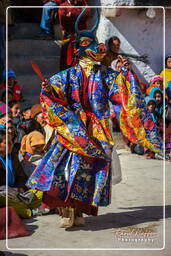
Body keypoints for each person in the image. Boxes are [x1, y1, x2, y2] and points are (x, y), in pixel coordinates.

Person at [26, 9, 164, 229]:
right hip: (73, 131)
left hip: (97, 132)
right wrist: (49, 90)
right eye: (91, 46)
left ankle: (80, 211)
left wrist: (126, 75)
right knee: (66, 170)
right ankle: (67, 211)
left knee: (87, 174)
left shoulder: (107, 75)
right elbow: (52, 92)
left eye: (97, 46)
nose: (96, 51)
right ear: (81, 49)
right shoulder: (69, 75)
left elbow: (121, 96)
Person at [0, 129, 43, 218]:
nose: (11, 145)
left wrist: (19, 187)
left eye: (11, 142)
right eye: (6, 143)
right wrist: (12, 191)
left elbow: (21, 176)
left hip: (17, 192)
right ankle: (29, 212)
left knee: (40, 189)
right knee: (3, 198)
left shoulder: (13, 156)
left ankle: (24, 205)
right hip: (5, 193)